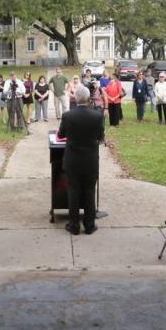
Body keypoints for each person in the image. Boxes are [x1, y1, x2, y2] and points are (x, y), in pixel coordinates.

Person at [57, 85, 105, 235]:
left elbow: (60, 135)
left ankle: (74, 226)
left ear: (75, 98)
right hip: (90, 160)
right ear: (88, 98)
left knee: (73, 192)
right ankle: (89, 225)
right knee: (90, 192)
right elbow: (100, 137)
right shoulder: (97, 116)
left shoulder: (67, 116)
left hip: (73, 161)